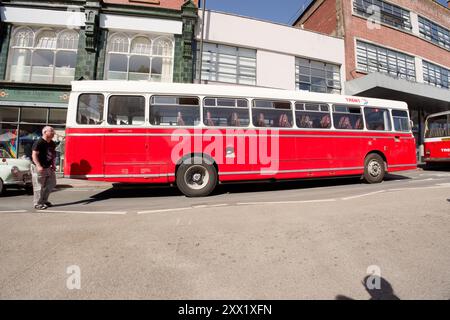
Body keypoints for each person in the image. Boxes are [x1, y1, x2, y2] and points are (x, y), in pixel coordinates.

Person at [31, 126, 57, 210]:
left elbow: (52, 154)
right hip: (39, 167)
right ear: (45, 132)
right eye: (51, 131)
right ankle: (37, 203)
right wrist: (38, 165)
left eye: (53, 131)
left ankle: (44, 200)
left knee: (52, 183)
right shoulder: (39, 142)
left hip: (48, 167)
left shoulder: (52, 143)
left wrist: (53, 164)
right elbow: (34, 155)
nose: (53, 133)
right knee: (38, 186)